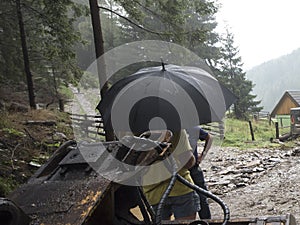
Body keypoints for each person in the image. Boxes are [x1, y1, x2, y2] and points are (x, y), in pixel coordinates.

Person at [142, 129, 200, 220]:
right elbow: (188, 162)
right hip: (181, 187)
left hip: (152, 192)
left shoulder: (132, 132)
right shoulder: (177, 129)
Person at [187, 126, 213, 219]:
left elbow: (209, 137)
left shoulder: (193, 128)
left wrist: (202, 155)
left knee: (202, 196)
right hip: (177, 170)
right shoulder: (172, 130)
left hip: (193, 168)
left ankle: (206, 220)